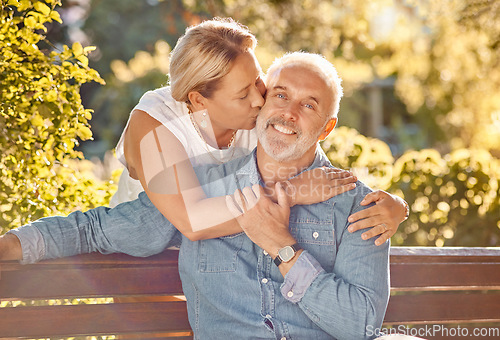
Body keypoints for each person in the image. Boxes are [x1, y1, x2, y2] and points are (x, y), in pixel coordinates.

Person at [0, 52, 390, 339]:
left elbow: (361, 324)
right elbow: (92, 231)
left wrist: (286, 251)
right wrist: (8, 247)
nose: (289, 113)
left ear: (326, 128)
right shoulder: (196, 189)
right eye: (281, 96)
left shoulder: (357, 205)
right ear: (261, 103)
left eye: (309, 105)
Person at [109, 17, 408, 244]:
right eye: (242, 94)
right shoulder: (155, 120)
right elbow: (191, 221)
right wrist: (289, 192)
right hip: (147, 253)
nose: (258, 98)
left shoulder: (262, 111)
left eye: (257, 80)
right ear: (199, 100)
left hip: (221, 256)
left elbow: (316, 169)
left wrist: (396, 207)